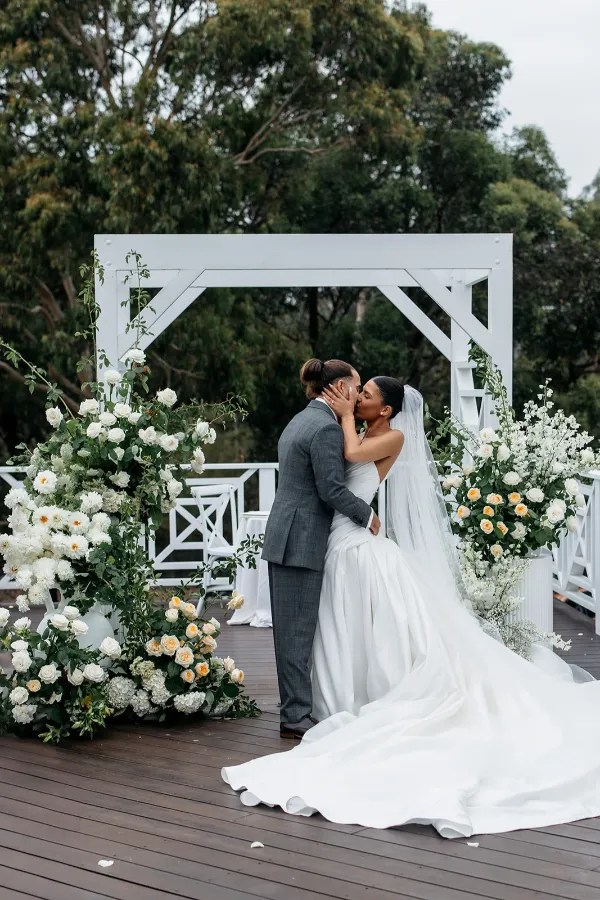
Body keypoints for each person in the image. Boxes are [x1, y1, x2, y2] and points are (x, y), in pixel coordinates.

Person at [223, 378, 600, 838]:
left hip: (355, 543)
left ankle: (365, 695)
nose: (358, 398)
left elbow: (350, 458)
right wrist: (344, 417)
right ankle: (326, 697)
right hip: (336, 540)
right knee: (337, 624)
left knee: (368, 625)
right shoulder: (359, 429)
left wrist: (343, 415)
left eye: (366, 395)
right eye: (357, 392)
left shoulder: (392, 437)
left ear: (386, 410)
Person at [261, 358, 380, 741]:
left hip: (288, 535)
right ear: (341, 387)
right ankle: (295, 715)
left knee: (290, 631)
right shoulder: (326, 428)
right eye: (357, 387)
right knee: (296, 632)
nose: (358, 395)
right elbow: (330, 488)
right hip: (301, 539)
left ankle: (294, 710)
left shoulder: (301, 419)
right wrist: (367, 514)